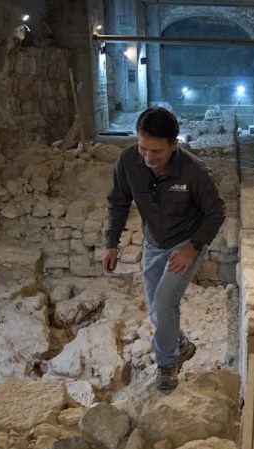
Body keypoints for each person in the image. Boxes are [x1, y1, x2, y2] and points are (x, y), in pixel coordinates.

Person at [102, 107, 225, 391]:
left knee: (164, 302)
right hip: (154, 242)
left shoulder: (193, 171)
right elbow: (119, 202)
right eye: (143, 147)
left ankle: (168, 365)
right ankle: (179, 344)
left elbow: (216, 212)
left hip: (185, 242)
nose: (148, 157)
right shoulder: (128, 161)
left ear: (174, 144)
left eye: (156, 151)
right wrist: (111, 243)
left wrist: (193, 248)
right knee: (156, 312)